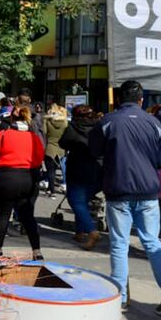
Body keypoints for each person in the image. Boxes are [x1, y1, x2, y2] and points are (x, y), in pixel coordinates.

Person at [90, 80, 161, 315]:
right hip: (148, 189)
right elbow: (157, 157)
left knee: (119, 244)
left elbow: (95, 152)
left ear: (119, 99)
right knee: (152, 242)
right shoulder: (155, 124)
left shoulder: (108, 121)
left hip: (119, 188)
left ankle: (119, 298)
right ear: (142, 100)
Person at [0, 105, 45, 259]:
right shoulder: (33, 137)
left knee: (3, 215)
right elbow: (39, 159)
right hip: (26, 178)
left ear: (12, 118)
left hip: (5, 178)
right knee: (28, 216)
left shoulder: (3, 135)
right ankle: (36, 251)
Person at [59, 104, 102, 250]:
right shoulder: (99, 127)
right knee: (82, 200)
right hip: (98, 169)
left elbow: (62, 143)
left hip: (78, 168)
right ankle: (79, 231)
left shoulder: (73, 127)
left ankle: (91, 231)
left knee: (76, 201)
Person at [42, 104, 69, 198]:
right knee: (62, 168)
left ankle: (52, 191)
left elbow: (44, 132)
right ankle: (54, 187)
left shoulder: (47, 121)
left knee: (50, 171)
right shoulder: (65, 122)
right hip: (61, 149)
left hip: (50, 148)